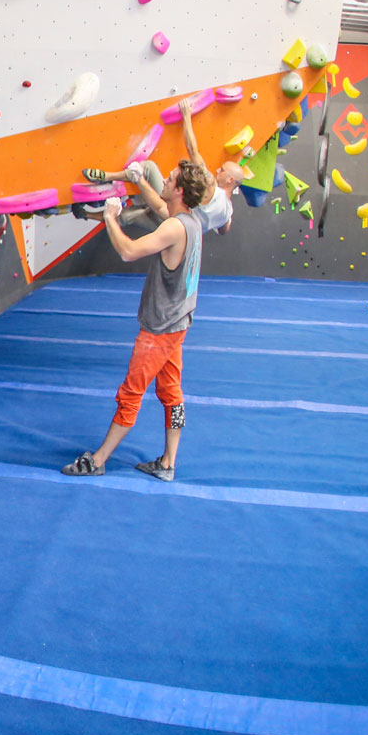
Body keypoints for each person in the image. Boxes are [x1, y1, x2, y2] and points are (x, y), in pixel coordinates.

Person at [60, 159, 210, 483]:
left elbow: (128, 251)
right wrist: (140, 179)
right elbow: (157, 203)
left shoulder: (173, 227)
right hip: (179, 324)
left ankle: (99, 460)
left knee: (131, 392)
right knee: (172, 393)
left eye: (169, 179)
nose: (165, 181)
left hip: (160, 330)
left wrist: (111, 218)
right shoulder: (191, 220)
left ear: (180, 190)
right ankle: (168, 463)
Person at [81, 94, 242, 234]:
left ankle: (108, 176)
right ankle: (86, 215)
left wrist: (186, 116)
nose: (217, 169)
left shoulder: (210, 184)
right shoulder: (226, 210)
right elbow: (224, 230)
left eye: (222, 170)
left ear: (230, 180)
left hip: (168, 211)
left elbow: (193, 150)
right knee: (128, 216)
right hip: (175, 226)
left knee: (148, 169)